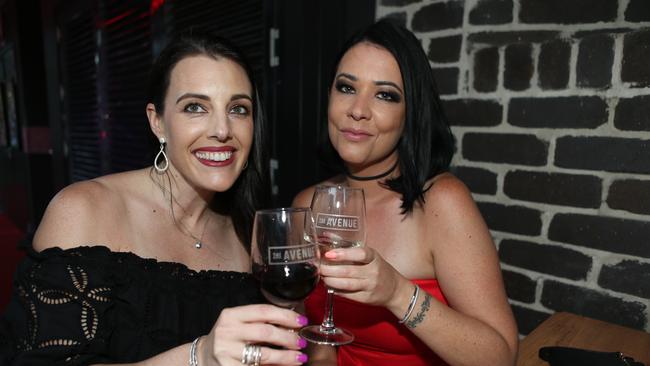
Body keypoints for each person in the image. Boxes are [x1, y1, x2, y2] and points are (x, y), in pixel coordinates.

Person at [1, 32, 309, 366]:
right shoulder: (83, 210)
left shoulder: (254, 229)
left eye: (238, 109)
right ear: (157, 121)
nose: (222, 129)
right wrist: (198, 357)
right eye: (195, 107)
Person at [293, 20, 518, 366]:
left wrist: (396, 292)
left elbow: (500, 357)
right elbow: (319, 340)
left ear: (409, 113)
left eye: (385, 95)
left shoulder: (440, 201)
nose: (358, 110)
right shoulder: (307, 203)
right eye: (346, 88)